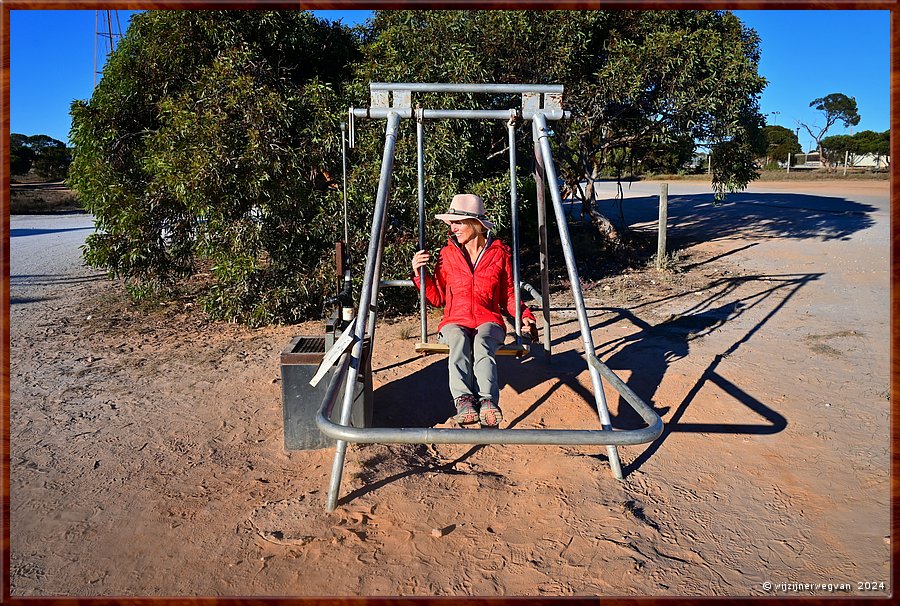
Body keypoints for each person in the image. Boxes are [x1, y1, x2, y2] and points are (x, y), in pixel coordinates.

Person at [412, 193, 537, 428]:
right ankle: (464, 400)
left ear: (475, 224)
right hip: (454, 321)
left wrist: (525, 317)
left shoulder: (500, 255)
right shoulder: (447, 256)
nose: (452, 228)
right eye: (451, 223)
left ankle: (488, 403)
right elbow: (437, 297)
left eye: (457, 222)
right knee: (458, 338)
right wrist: (420, 274)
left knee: (483, 341)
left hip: (488, 320)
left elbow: (509, 296)